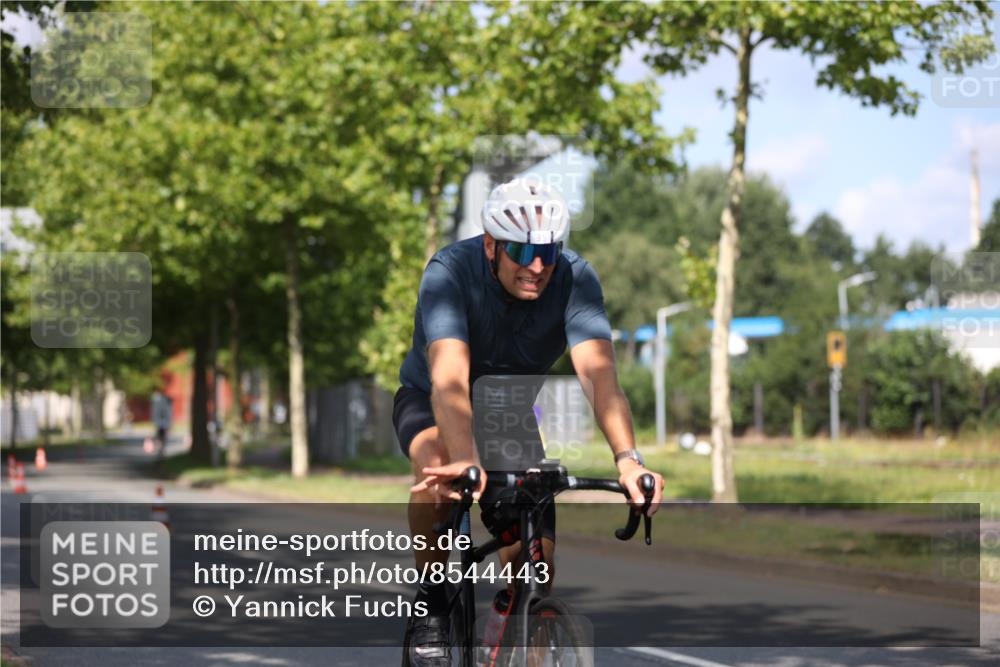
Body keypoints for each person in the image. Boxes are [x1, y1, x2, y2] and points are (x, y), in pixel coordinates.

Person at [394, 177, 665, 666]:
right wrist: (465, 460)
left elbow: (600, 376)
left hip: (508, 414)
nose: (538, 266)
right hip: (432, 401)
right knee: (437, 471)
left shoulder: (575, 279)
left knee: (535, 556)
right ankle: (432, 608)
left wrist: (629, 460)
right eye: (522, 251)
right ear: (492, 245)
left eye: (548, 252)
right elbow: (450, 378)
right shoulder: (449, 272)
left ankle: (506, 625)